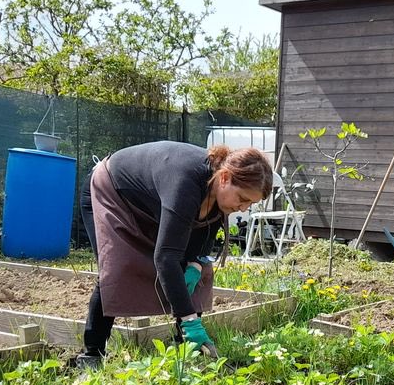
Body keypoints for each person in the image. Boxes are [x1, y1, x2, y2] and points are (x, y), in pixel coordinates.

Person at [75, 141, 272, 367]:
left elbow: (204, 237)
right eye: (243, 199)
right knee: (118, 268)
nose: (244, 208)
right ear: (225, 178)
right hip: (109, 191)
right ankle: (92, 353)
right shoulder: (185, 183)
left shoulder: (219, 191)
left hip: (148, 204)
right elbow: (165, 258)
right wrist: (190, 320)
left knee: (191, 269)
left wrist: (195, 265)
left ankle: (189, 347)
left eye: (251, 203)